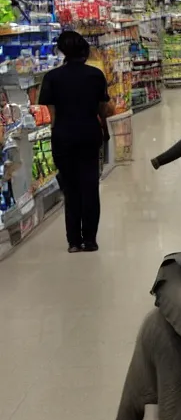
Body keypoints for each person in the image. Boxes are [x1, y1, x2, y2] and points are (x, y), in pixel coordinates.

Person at [39, 30, 110, 253]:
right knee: (90, 187)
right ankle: (90, 240)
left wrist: (58, 131)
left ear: (62, 52)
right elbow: (102, 108)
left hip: (64, 136)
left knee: (71, 190)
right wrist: (105, 129)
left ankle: (73, 242)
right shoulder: (95, 75)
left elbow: (52, 114)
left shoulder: (52, 78)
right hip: (89, 133)